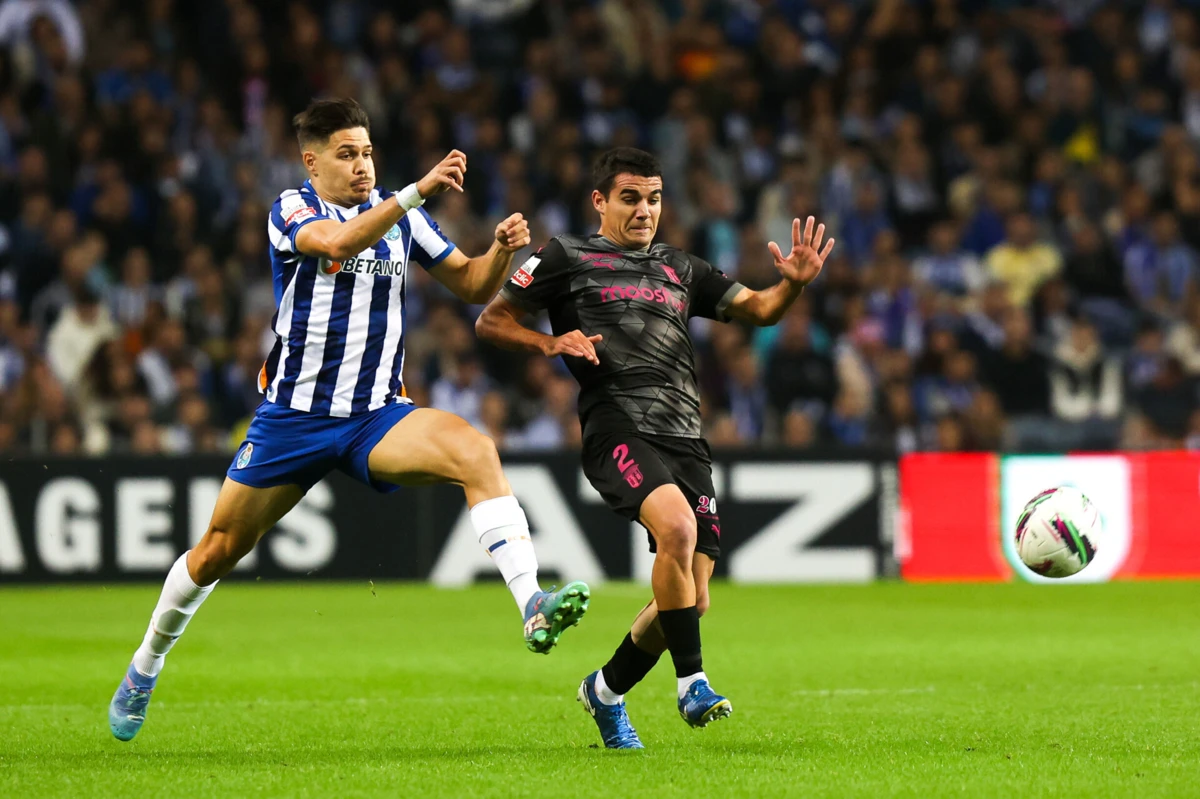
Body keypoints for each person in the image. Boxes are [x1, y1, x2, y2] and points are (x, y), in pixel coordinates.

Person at [108, 98, 590, 742]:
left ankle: (531, 604)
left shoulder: (401, 217)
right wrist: (418, 191)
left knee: (474, 449)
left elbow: (473, 285)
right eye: (346, 154)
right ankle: (146, 664)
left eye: (366, 152)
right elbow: (336, 242)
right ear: (312, 162)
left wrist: (500, 253)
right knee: (219, 549)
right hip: (294, 419)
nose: (363, 166)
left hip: (376, 416)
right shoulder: (293, 209)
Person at [476, 147, 834, 748]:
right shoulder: (565, 255)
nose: (645, 211)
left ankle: (605, 692)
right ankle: (693, 683)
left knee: (691, 602)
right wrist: (550, 342)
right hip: (617, 424)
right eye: (631, 198)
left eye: (655, 198)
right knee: (676, 528)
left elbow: (760, 310)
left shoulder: (680, 266)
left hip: (686, 436)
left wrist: (792, 286)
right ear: (600, 201)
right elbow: (492, 320)